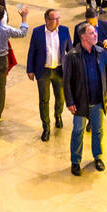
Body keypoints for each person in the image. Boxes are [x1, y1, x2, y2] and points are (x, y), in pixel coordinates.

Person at [64, 22, 107, 175]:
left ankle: (97, 157)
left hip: (98, 100)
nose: (96, 35)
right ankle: (75, 161)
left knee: (98, 130)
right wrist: (70, 102)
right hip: (80, 102)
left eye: (95, 32)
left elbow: (106, 77)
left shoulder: (101, 52)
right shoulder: (73, 56)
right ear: (83, 37)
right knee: (78, 131)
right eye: (92, 33)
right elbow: (66, 82)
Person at [26, 8, 71, 141]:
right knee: (44, 100)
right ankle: (46, 127)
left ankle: (58, 115)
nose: (58, 21)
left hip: (59, 70)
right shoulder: (37, 32)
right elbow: (32, 52)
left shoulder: (64, 30)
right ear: (47, 20)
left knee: (60, 97)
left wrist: (73, 68)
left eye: (58, 18)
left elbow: (71, 50)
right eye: (55, 19)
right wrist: (30, 69)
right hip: (43, 71)